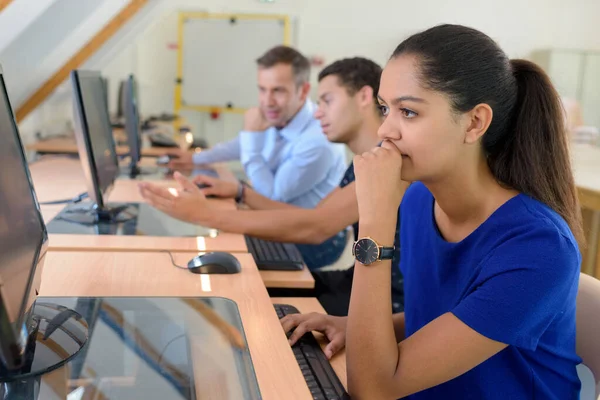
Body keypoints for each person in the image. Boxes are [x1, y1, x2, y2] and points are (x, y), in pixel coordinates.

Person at [280, 24, 584, 399]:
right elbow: (449, 317)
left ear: (475, 122)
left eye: (408, 112)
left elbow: (372, 389)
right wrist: (357, 327)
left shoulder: (539, 247)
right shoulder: (419, 200)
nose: (386, 130)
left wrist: (375, 219)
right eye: (384, 108)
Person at [139, 58, 404, 311]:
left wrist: (206, 215)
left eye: (327, 101)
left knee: (244, 301)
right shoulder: (367, 159)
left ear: (363, 96)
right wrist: (241, 193)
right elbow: (312, 216)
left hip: (387, 303)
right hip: (358, 282)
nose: (318, 113)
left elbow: (317, 227)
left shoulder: (389, 163)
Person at [167, 45, 346, 209]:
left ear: (304, 91)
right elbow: (239, 146)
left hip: (303, 239)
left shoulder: (318, 140)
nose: (267, 102)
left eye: (278, 90)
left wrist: (251, 135)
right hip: (278, 221)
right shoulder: (283, 114)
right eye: (262, 89)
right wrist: (195, 159)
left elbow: (271, 198)